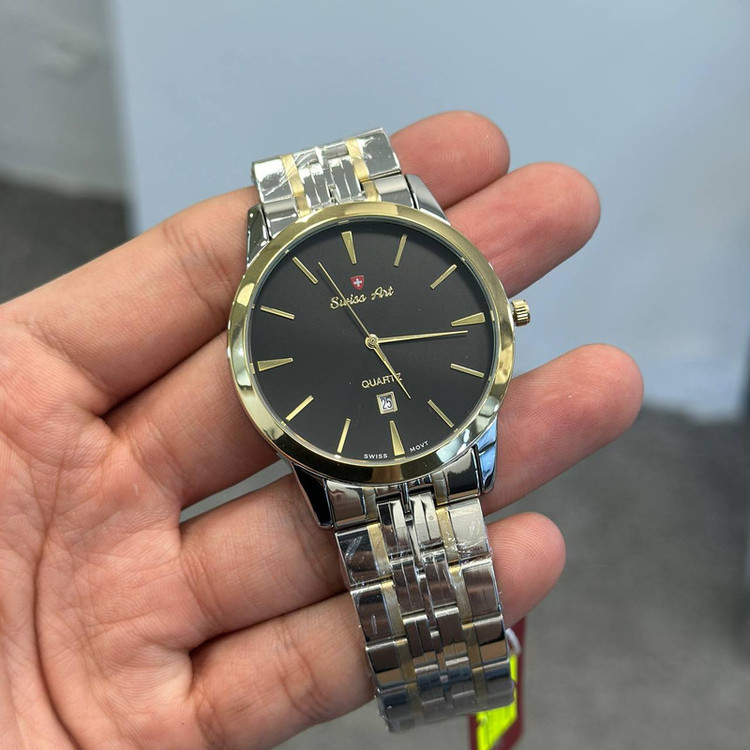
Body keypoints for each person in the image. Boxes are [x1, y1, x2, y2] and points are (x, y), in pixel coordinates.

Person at [0, 112, 642, 748]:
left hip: (426, 439)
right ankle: (440, 685)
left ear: (504, 314)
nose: (372, 341)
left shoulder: (425, 248)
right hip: (346, 462)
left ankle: (455, 682)